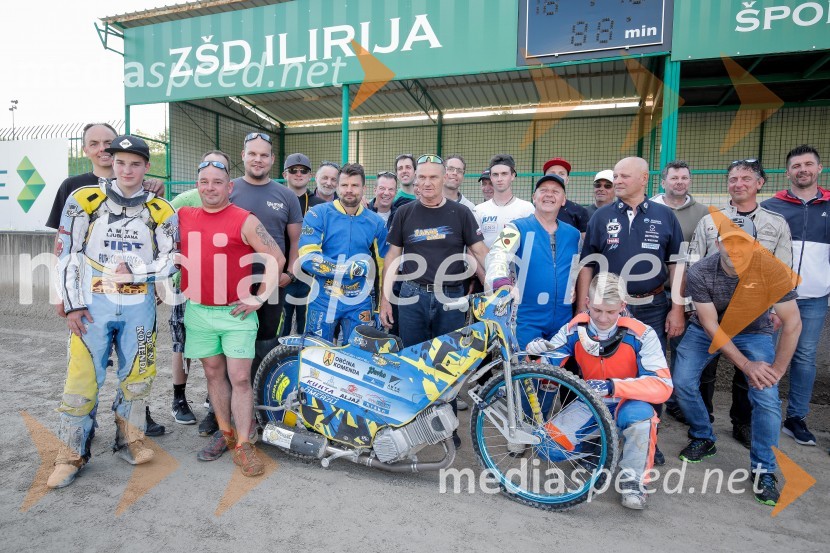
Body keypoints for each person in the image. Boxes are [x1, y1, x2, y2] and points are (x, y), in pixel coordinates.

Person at [48, 135, 177, 488]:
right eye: (121, 162)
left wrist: (137, 272)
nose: (127, 170)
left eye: (135, 164)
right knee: (81, 379)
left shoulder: (161, 209)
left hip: (140, 307)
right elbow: (66, 254)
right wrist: (72, 305)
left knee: (139, 375)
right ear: (111, 163)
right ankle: (70, 454)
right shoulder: (83, 200)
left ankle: (130, 440)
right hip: (92, 307)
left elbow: (172, 259)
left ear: (147, 167)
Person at [673, 215, 800, 507]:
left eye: (742, 243)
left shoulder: (771, 270)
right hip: (708, 330)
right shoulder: (701, 271)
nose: (735, 249)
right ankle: (703, 436)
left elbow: (793, 322)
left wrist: (777, 370)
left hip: (753, 332)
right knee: (681, 382)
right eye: (728, 242)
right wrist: (745, 365)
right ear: (718, 243)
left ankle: (764, 470)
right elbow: (710, 325)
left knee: (767, 396)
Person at [526, 272, 673, 510]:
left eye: (611, 311)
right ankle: (599, 452)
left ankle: (633, 482)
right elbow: (543, 371)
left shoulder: (642, 333)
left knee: (641, 419)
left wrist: (613, 386)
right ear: (587, 303)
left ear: (623, 306)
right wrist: (533, 355)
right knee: (545, 446)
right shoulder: (574, 329)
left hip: (628, 401)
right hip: (592, 401)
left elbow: (663, 386)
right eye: (597, 310)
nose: (603, 318)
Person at [179, 160, 285, 477]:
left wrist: (258, 297)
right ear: (197, 186)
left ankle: (243, 444)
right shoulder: (184, 215)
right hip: (198, 311)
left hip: (235, 313)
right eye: (204, 181)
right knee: (213, 374)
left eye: (217, 182)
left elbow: (276, 258)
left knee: (239, 378)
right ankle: (225, 434)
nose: (210, 187)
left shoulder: (244, 219)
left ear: (229, 187)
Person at [380, 154, 489, 447]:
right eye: (422, 177)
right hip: (411, 296)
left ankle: (446, 429)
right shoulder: (404, 213)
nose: (427, 183)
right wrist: (385, 300)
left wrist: (501, 282)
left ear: (444, 179)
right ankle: (410, 427)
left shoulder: (461, 213)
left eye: (433, 177)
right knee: (412, 364)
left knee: (447, 366)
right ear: (416, 179)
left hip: (451, 298)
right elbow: (392, 257)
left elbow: (480, 251)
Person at [688, 159, 792, 447]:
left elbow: (784, 269)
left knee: (750, 375)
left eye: (746, 178)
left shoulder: (775, 222)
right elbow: (694, 261)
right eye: (733, 179)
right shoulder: (710, 221)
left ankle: (742, 424)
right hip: (711, 311)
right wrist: (690, 307)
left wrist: (776, 309)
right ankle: (703, 425)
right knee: (704, 373)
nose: (739, 184)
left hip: (755, 317)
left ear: (759, 183)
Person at [762, 144, 830, 446]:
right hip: (775, 299)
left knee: (804, 357)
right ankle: (766, 410)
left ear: (819, 169)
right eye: (796, 166)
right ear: (788, 173)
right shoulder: (771, 207)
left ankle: (796, 418)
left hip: (815, 298)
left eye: (808, 164)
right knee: (766, 354)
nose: (803, 170)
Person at [168, 150, 233, 429]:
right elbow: (163, 237)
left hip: (221, 289)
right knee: (181, 344)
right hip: (185, 287)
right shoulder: (183, 202)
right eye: (205, 173)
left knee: (219, 346)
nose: (211, 184)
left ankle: (213, 398)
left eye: (219, 173)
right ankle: (179, 398)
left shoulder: (232, 200)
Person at [229, 133, 302, 377]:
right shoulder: (228, 189)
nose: (257, 159)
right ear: (243, 156)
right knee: (233, 343)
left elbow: (296, 240)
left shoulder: (287, 196)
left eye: (263, 155)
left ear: (272, 159)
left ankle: (261, 393)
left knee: (266, 343)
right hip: (233, 282)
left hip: (272, 283)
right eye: (252, 154)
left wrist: (290, 273)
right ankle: (226, 398)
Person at [485, 173, 579, 349]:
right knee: (526, 364)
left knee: (559, 366)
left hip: (563, 320)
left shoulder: (573, 234)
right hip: (526, 318)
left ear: (563, 200)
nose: (549, 194)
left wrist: (574, 287)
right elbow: (498, 253)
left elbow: (575, 267)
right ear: (534, 197)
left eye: (555, 191)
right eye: (543, 190)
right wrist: (500, 281)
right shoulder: (516, 227)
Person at [299, 163, 388, 342]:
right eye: (344, 185)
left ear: (363, 189)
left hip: (359, 301)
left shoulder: (376, 222)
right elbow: (307, 258)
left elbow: (383, 265)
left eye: (354, 185)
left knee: (358, 354)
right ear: (337, 187)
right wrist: (348, 269)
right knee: (316, 353)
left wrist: (380, 306)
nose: (349, 190)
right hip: (323, 299)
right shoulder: (318, 214)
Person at [650, 160, 710, 423]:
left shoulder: (703, 214)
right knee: (653, 349)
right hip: (653, 291)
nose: (679, 182)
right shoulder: (649, 209)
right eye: (674, 178)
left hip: (687, 294)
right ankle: (652, 398)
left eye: (684, 178)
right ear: (663, 182)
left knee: (681, 349)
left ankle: (676, 401)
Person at [280, 155, 325, 342]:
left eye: (303, 170)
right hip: (283, 276)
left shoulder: (321, 206)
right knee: (281, 328)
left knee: (306, 329)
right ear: (285, 174)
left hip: (310, 277)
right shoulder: (276, 199)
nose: (298, 174)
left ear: (310, 176)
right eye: (293, 170)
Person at [474, 154, 535, 248]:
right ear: (491, 177)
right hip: (486, 258)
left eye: (504, 174)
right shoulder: (478, 210)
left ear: (513, 176)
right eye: (495, 174)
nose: (499, 179)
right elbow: (473, 248)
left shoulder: (527, 208)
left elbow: (532, 244)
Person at [542, 157, 591, 233]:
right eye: (552, 173)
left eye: (561, 174)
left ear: (567, 180)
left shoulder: (579, 211)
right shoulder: (533, 209)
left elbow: (585, 239)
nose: (557, 176)